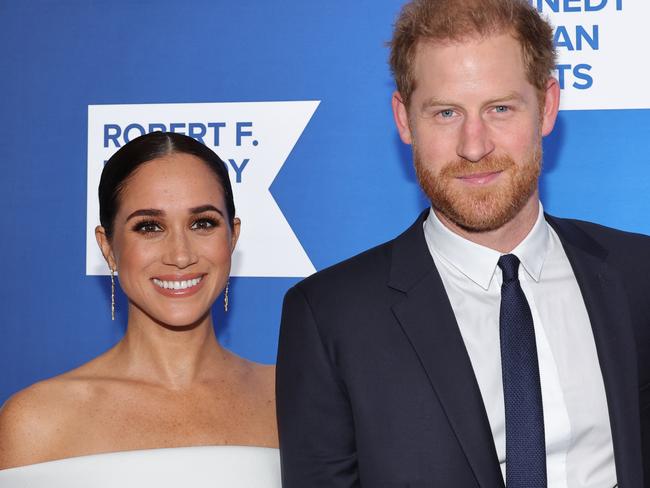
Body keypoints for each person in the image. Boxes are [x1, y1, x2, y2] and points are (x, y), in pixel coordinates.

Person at [276, 0, 650, 487]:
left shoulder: (638, 275)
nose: (474, 146)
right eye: (446, 112)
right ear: (405, 120)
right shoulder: (329, 317)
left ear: (548, 105)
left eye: (500, 108)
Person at [0, 132, 280, 487]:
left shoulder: (295, 396)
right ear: (108, 247)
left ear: (232, 236)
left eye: (202, 223)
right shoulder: (36, 422)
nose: (181, 255)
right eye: (149, 227)